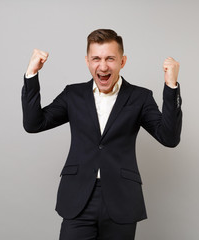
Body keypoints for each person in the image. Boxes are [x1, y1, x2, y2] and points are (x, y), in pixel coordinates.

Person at [21, 29, 182, 240]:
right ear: (87, 61)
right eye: (96, 58)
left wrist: (171, 86)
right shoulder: (73, 94)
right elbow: (34, 124)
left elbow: (169, 138)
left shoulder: (140, 97)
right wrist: (31, 74)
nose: (103, 66)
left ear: (122, 61)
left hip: (121, 199)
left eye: (110, 59)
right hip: (78, 198)